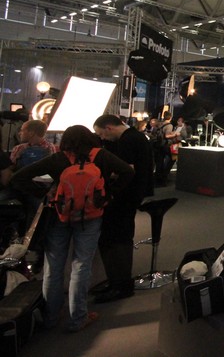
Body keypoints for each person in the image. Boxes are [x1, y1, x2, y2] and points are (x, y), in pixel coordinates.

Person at [10, 125, 134, 332]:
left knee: (53, 267)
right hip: (90, 216)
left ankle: (51, 317)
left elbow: (18, 177)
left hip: (58, 215)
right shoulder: (101, 156)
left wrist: (44, 194)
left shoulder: (58, 159)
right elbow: (127, 171)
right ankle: (78, 318)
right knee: (81, 265)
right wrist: (109, 193)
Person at [92, 114, 154, 303]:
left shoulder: (128, 140)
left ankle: (120, 285)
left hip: (125, 197)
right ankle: (118, 282)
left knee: (116, 239)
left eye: (101, 134)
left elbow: (126, 170)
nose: (102, 138)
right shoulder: (136, 137)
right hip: (131, 195)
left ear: (109, 128)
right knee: (119, 238)